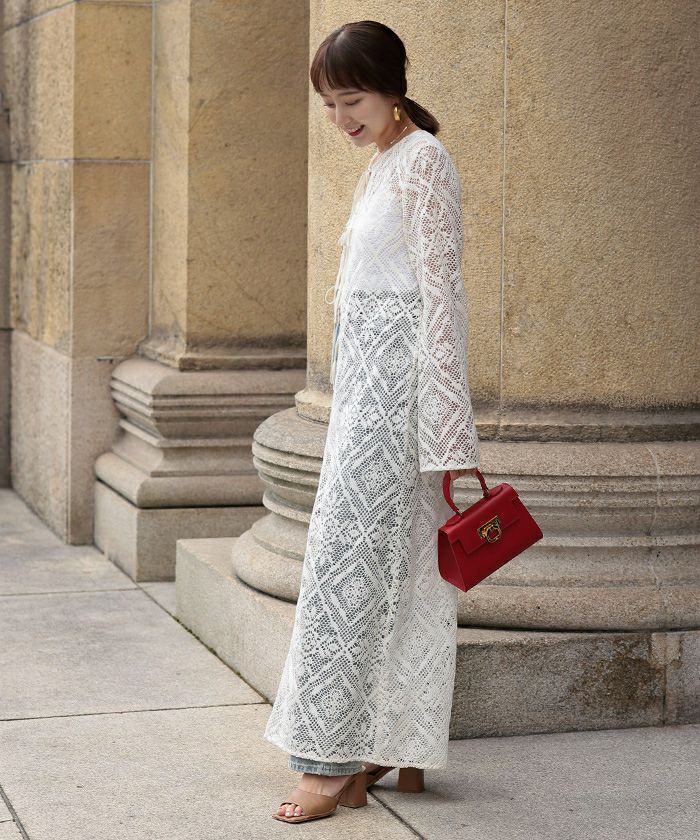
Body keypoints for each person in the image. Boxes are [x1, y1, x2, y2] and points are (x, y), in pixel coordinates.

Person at [264, 20, 481, 824]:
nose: (339, 118)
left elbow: (441, 298)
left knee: (352, 568)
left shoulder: (424, 160)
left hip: (400, 403)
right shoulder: (385, 164)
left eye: (350, 100)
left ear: (392, 87)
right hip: (365, 398)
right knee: (368, 568)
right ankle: (378, 745)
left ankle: (332, 762)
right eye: (328, 104)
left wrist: (448, 431)